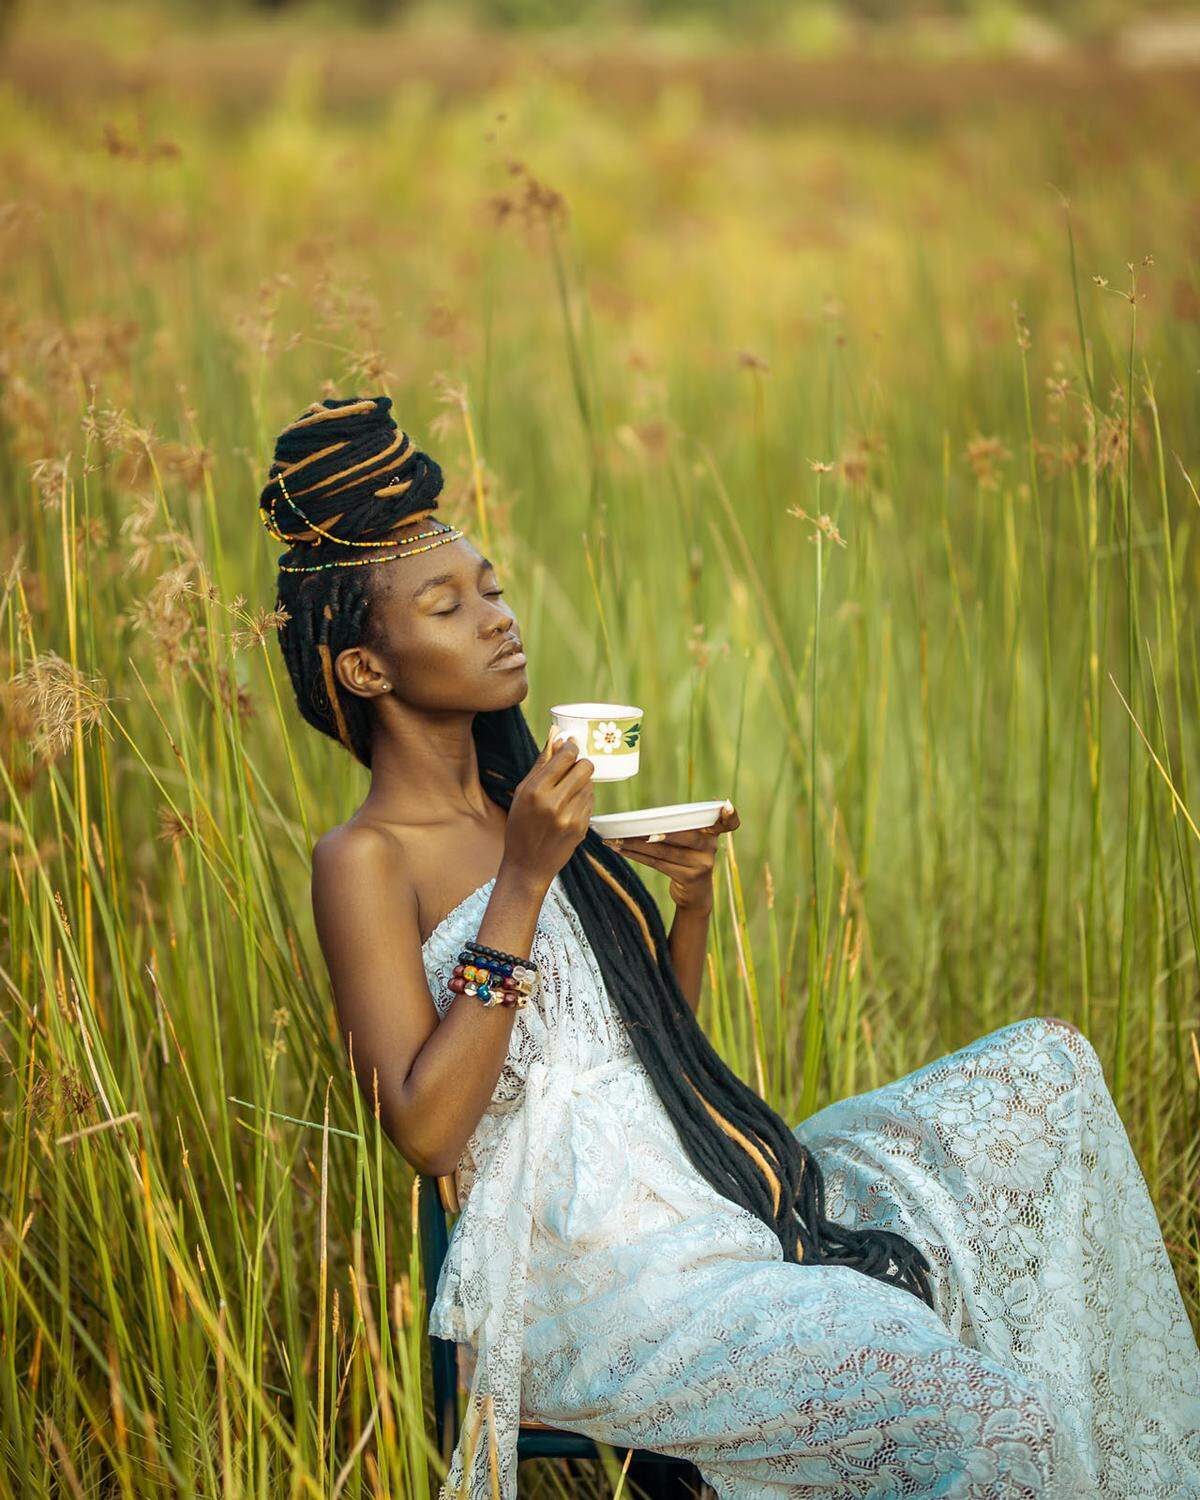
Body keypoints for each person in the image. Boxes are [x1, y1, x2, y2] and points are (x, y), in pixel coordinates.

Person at [261, 394, 1200, 1500]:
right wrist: (522, 881)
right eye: (448, 606)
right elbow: (425, 1131)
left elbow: (645, 1056)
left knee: (1045, 1070)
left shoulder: (527, 800)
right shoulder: (367, 857)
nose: (496, 618)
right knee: (985, 1419)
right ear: (368, 669)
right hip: (594, 1281)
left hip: (701, 1190)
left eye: (494, 590)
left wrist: (690, 908)